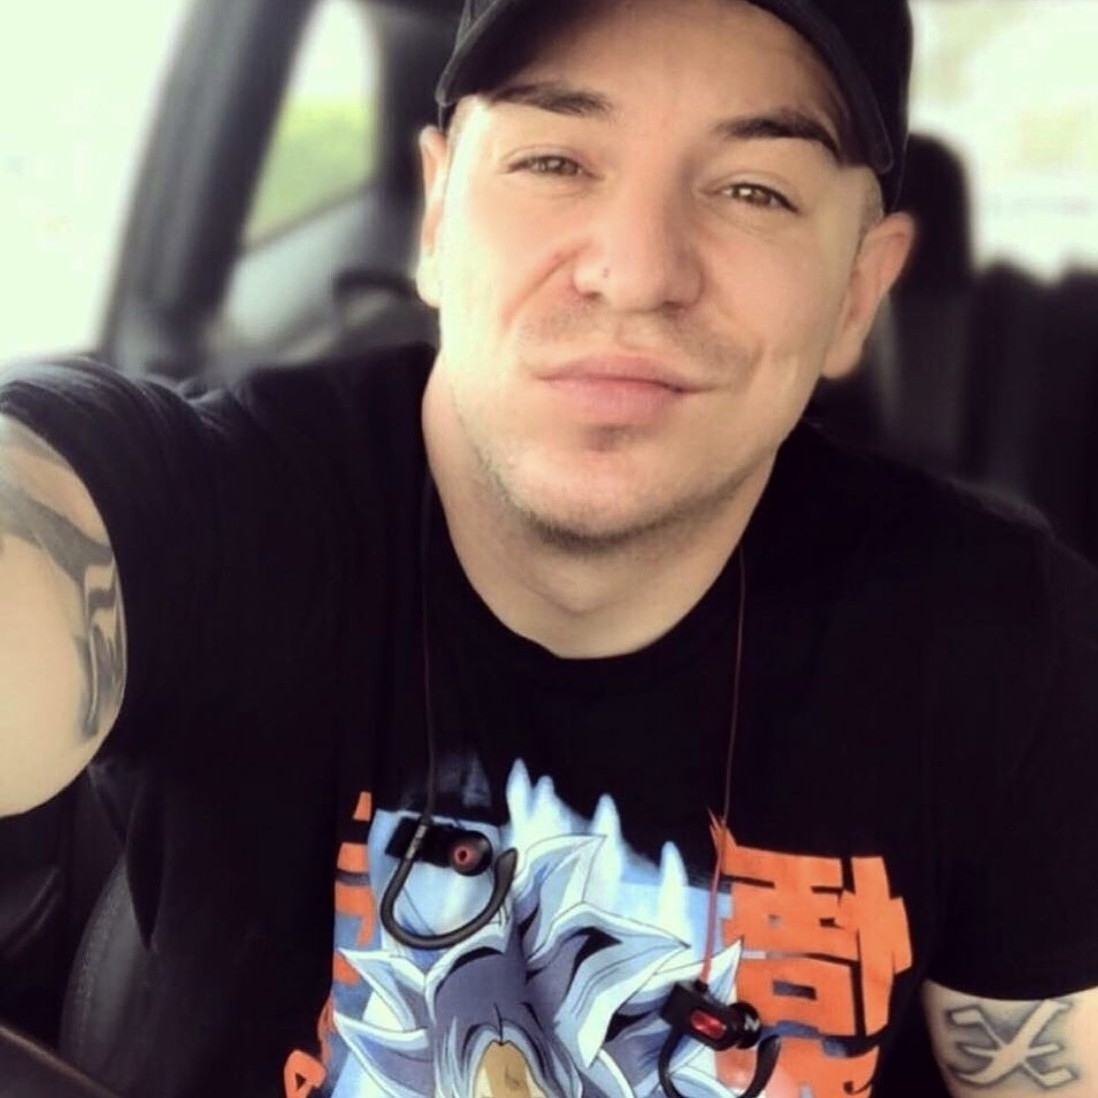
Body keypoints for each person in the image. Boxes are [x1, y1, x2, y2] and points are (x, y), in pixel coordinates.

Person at [1, 0, 1096, 1095]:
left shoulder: (1008, 653)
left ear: (859, 288)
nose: (636, 271)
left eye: (753, 190)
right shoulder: (222, 511)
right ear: (438, 216)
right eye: (556, 161)